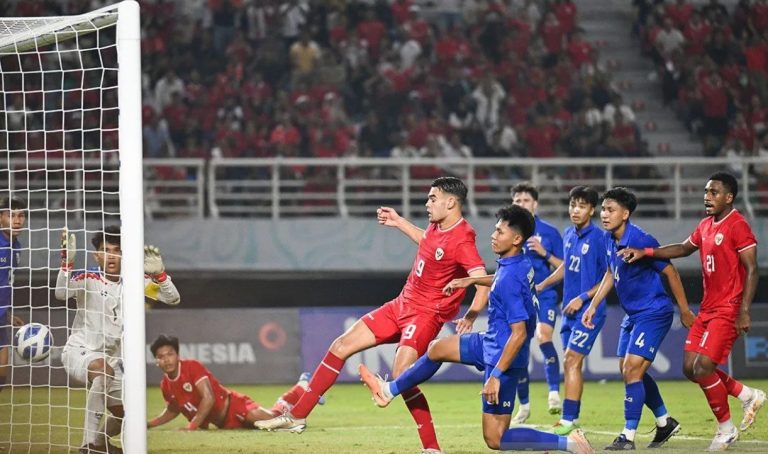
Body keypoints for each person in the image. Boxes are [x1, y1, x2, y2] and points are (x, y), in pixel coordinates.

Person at [255, 177, 489, 454]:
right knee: (340, 346)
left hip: (425, 315)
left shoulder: (463, 238)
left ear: (451, 202)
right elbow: (429, 244)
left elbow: (481, 278)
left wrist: (472, 314)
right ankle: (297, 416)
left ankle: (431, 447)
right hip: (401, 304)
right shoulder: (437, 225)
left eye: (432, 198)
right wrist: (399, 222)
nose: (427, 203)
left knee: (402, 375)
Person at [358, 205, 594, 454]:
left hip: (504, 357)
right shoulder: (518, 262)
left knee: (495, 439)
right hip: (490, 342)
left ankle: (568, 444)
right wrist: (471, 280)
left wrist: (495, 377)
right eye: (494, 229)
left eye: (500, 232)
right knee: (438, 348)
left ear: (516, 238)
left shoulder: (510, 281)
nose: (493, 235)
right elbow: (501, 277)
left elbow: (520, 332)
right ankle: (388, 390)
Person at [618, 172, 766, 451]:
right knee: (690, 368)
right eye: (706, 192)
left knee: (703, 367)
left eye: (714, 192)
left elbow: (753, 269)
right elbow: (684, 249)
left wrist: (744, 310)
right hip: (708, 307)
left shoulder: (738, 226)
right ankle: (746, 394)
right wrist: (646, 252)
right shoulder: (705, 225)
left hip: (728, 308)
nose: (707, 197)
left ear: (729, 197)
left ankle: (726, 428)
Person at [582, 187, 695, 450]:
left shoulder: (642, 239)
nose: (604, 214)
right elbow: (611, 273)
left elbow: (671, 273)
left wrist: (685, 310)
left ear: (626, 213)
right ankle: (665, 421)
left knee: (632, 368)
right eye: (603, 209)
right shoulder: (609, 239)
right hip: (633, 314)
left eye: (610, 210)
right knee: (629, 369)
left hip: (654, 312)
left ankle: (628, 436)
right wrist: (593, 304)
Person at [55, 226, 181, 453]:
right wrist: (67, 264)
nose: (111, 256)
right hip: (79, 352)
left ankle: (102, 443)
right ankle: (89, 445)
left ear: (124, 255)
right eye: (105, 250)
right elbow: (61, 293)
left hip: (111, 361)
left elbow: (173, 298)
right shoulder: (88, 277)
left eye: (117, 251)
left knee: (131, 415)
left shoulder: (133, 283)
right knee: (103, 372)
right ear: (97, 255)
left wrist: (160, 276)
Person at [534, 186, 607, 435]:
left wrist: (583, 297)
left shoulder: (600, 238)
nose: (575, 210)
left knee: (571, 360)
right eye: (573, 204)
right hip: (569, 311)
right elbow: (567, 266)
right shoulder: (568, 234)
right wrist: (544, 283)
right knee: (571, 364)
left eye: (582, 206)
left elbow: (611, 277)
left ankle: (567, 419)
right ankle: (573, 418)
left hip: (589, 311)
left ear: (592, 210)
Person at [147, 334, 320, 430]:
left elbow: (209, 398)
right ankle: (299, 388)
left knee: (276, 422)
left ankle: (299, 389)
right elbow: (173, 409)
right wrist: (148, 424)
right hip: (226, 424)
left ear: (177, 355)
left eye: (170, 354)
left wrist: (192, 426)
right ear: (156, 361)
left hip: (235, 406)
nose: (167, 360)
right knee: (271, 424)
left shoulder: (191, 367)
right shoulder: (166, 385)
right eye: (161, 357)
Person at [509, 182, 564, 422]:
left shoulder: (549, 232)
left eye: (526, 200)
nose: (522, 204)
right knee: (519, 348)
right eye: (518, 201)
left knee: (544, 335)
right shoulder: (508, 230)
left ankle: (553, 392)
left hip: (545, 294)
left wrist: (544, 253)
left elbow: (565, 266)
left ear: (535, 204)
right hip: (519, 296)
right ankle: (524, 405)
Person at [0, 196, 26, 391]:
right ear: (1, 218)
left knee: (2, 376)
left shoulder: (16, 246)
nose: (17, 220)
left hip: (1, 316)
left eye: (21, 215)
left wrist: (7, 314)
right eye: (11, 215)